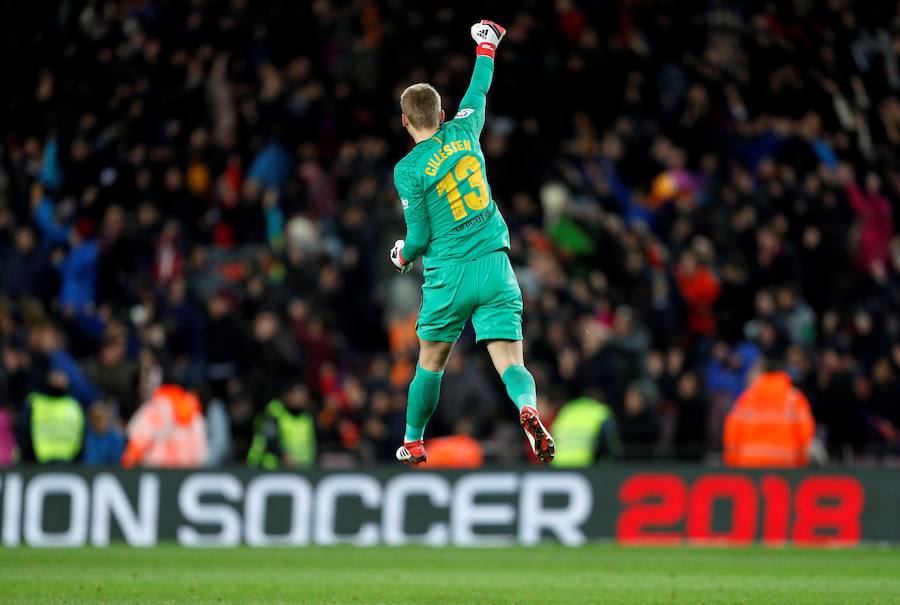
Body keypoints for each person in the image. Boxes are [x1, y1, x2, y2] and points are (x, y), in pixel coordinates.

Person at [389, 21, 555, 465]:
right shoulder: (463, 131)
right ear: (441, 115)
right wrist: (487, 45)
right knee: (510, 361)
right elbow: (478, 91)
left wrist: (402, 254)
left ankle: (414, 440)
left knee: (431, 363)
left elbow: (420, 237)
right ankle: (528, 408)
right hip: (496, 267)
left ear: (407, 122)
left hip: (449, 275)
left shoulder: (407, 170)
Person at [723, 358, 815, 467]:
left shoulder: (747, 399)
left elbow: (732, 434)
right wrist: (800, 463)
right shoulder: (794, 399)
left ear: (761, 373)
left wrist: (733, 463)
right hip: (786, 467)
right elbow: (805, 436)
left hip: (749, 466)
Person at [121, 383, 208, 468]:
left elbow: (201, 457)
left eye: (195, 402)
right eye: (188, 399)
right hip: (154, 470)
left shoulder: (197, 420)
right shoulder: (159, 408)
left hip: (183, 472)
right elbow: (134, 449)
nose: (191, 404)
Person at [246, 382, 316, 469]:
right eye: (299, 392)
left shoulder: (307, 417)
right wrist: (283, 454)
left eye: (305, 393)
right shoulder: (274, 413)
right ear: (288, 394)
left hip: (302, 468)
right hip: (272, 468)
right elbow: (268, 440)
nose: (303, 397)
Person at [26, 371, 85, 464]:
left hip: (70, 464)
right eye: (55, 377)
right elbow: (25, 435)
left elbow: (82, 437)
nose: (58, 381)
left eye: (61, 377)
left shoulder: (74, 405)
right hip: (39, 464)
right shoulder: (35, 403)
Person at [551, 393, 620, 467]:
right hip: (584, 464)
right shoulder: (601, 411)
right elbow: (610, 443)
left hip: (558, 464)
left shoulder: (566, 410)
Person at [82, 401, 126, 465]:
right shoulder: (87, 437)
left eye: (100, 418)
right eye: (95, 418)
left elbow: (117, 464)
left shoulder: (117, 439)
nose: (98, 422)